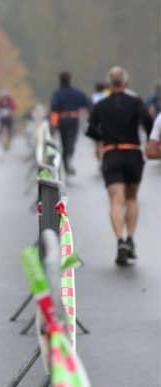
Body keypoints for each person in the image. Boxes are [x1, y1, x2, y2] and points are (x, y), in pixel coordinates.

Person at [85, 66, 154, 266]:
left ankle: (120, 240)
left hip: (112, 153)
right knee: (132, 198)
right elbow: (149, 125)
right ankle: (131, 238)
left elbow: (90, 129)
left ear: (109, 83)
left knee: (116, 200)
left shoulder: (101, 105)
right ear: (126, 82)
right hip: (132, 152)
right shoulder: (136, 103)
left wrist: (104, 137)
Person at [50, 71, 90, 175]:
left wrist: (53, 125)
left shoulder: (57, 93)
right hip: (73, 119)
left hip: (62, 120)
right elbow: (87, 103)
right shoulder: (76, 92)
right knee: (71, 140)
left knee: (64, 142)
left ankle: (66, 163)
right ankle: (68, 159)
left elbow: (54, 108)